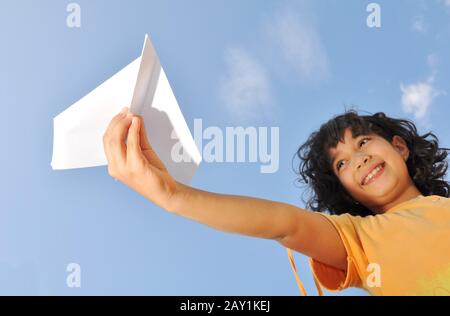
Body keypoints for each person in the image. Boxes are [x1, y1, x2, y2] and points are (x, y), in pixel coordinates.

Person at [103, 107, 450, 296]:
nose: (358, 159)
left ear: (399, 147)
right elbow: (286, 224)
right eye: (341, 163)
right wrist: (173, 195)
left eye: (362, 142)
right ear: (345, 193)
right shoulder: (360, 238)